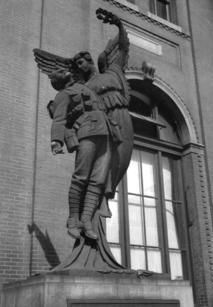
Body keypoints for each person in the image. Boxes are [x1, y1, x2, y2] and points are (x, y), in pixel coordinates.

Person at [73, 11, 134, 207]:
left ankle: (106, 195)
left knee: (121, 159)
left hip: (121, 115)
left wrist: (119, 25)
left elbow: (123, 45)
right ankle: (96, 206)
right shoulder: (85, 86)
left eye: (81, 62)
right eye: (76, 65)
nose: (79, 66)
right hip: (103, 123)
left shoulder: (113, 71)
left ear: (90, 60)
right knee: (99, 166)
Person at [49, 68, 111, 240]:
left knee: (98, 181)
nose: (65, 69)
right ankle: (73, 220)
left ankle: (86, 220)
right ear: (58, 81)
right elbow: (59, 118)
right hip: (87, 132)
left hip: (104, 133)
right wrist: (56, 140)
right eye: (59, 71)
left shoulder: (85, 87)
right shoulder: (63, 94)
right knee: (80, 178)